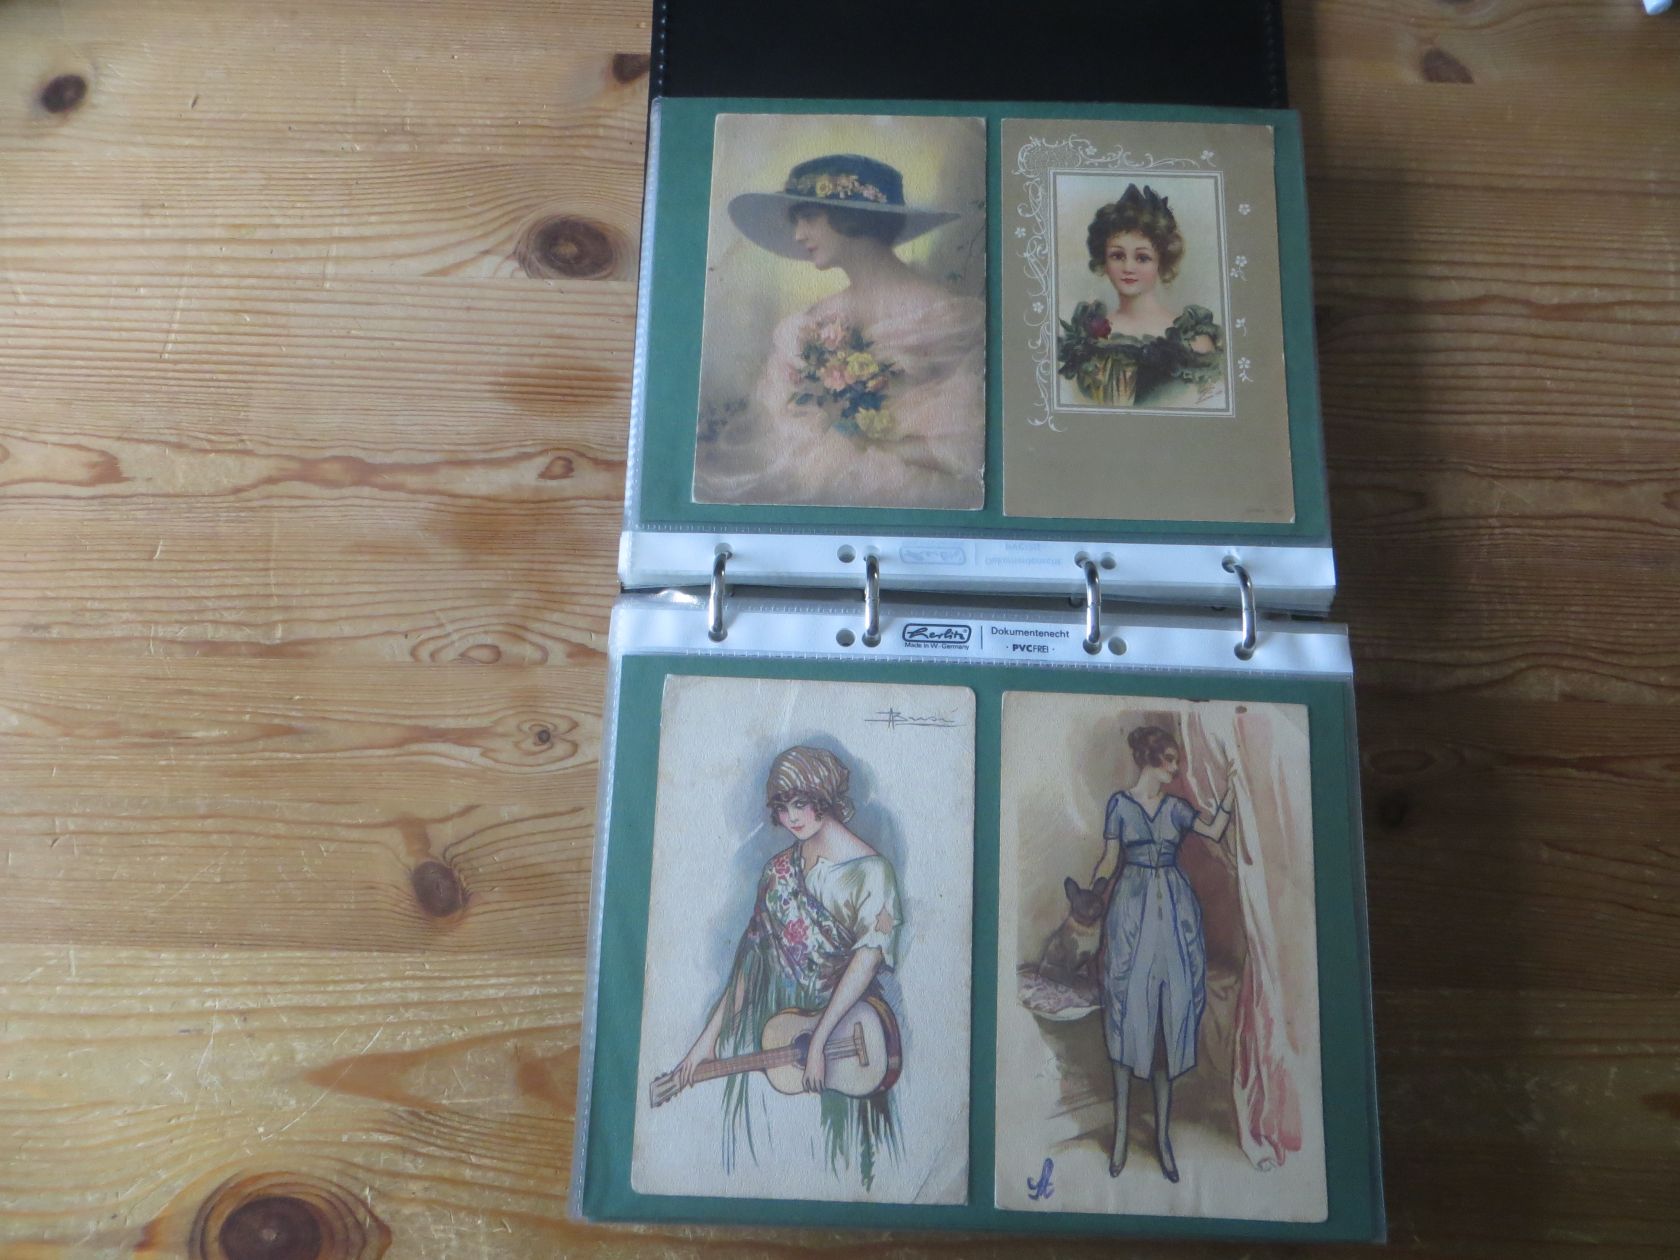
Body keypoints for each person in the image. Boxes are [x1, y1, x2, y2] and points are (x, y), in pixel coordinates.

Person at [694, 154, 985, 509]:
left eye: (809, 217)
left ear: (850, 216)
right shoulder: (810, 322)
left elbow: (966, 442)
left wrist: (863, 445)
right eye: (796, 221)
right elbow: (775, 422)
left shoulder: (944, 316)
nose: (798, 235)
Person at [670, 746, 904, 1189]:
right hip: (778, 1037)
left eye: (800, 802)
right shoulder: (778, 871)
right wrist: (707, 1040)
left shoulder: (872, 873)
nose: (791, 817)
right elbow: (751, 965)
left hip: (849, 1040)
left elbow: (868, 959)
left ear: (825, 797)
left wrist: (819, 1041)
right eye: (782, 807)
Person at [1093, 725, 1236, 1181]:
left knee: (1168, 1020)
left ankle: (1163, 1139)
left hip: (1174, 915)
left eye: (1177, 760)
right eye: (1170, 760)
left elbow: (1214, 831)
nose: (1176, 769)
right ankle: (1120, 1136)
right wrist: (1093, 894)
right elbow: (1109, 860)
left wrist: (1232, 792)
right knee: (1125, 1012)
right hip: (1131, 911)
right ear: (1150, 760)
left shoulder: (1176, 808)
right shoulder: (1120, 805)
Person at [1057, 184, 1225, 408]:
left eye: (1142, 258)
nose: (1128, 267)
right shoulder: (1085, 339)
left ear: (1160, 262)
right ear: (1103, 261)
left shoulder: (1193, 341)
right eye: (1117, 256)